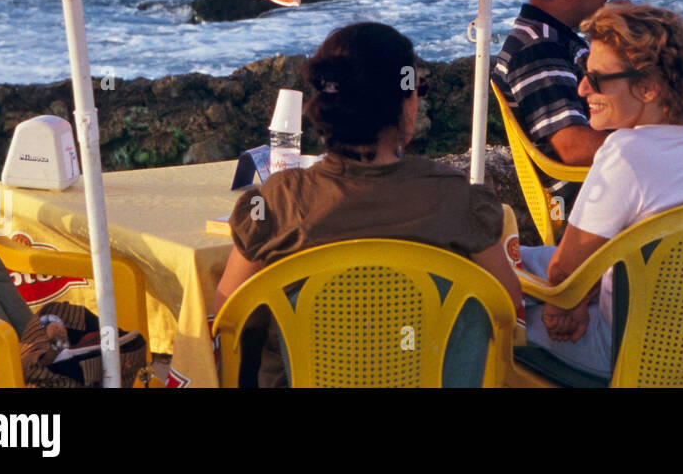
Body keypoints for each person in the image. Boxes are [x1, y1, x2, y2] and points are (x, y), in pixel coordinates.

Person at [214, 22, 521, 385]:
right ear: (405, 103)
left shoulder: (278, 201)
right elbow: (509, 308)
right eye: (417, 88)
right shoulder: (457, 198)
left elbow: (227, 321)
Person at [517, 4, 683, 378]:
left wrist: (570, 303)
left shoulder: (626, 153)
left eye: (597, 78)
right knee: (516, 262)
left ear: (649, 87)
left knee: (484, 296)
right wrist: (579, 294)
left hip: (630, 350)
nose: (582, 88)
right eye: (583, 73)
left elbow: (562, 275)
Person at [493, 0, 614, 167]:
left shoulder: (551, 38)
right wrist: (651, 144)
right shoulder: (538, 49)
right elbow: (573, 147)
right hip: (587, 192)